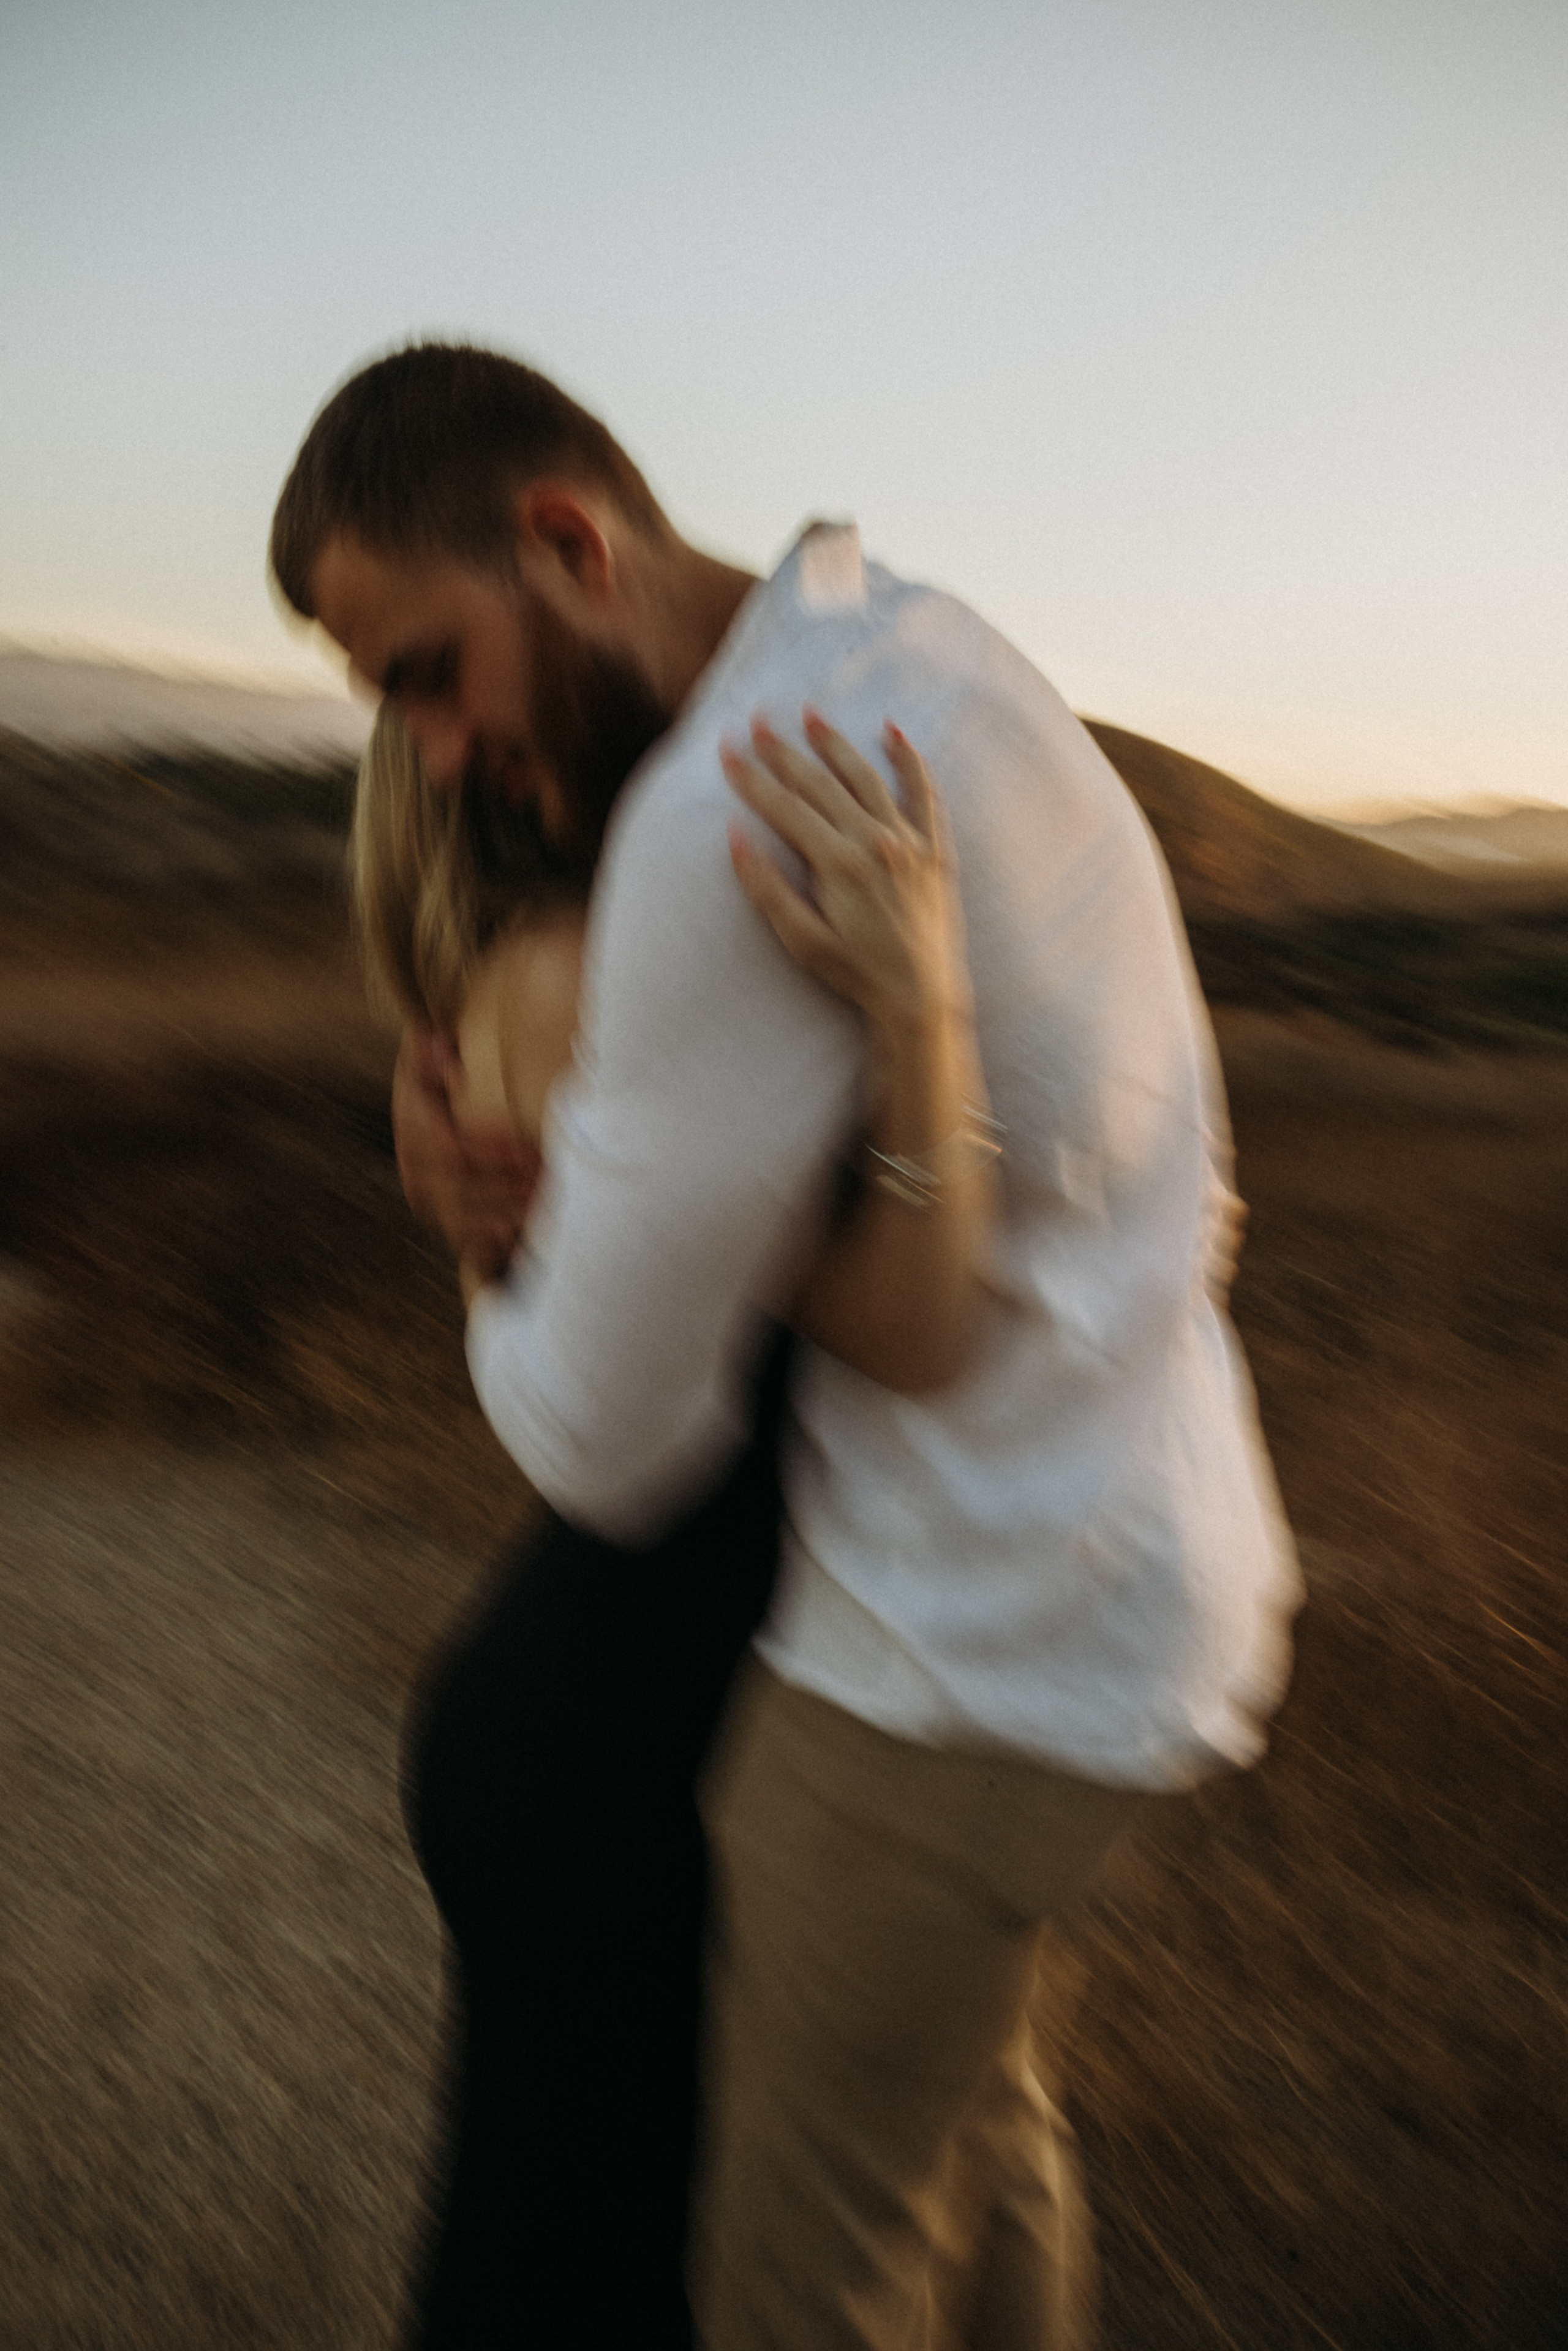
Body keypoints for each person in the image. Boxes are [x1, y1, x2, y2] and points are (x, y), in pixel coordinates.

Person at [271, 342, 1301, 2350]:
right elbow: (1075, 1217)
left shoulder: (737, 812)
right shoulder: (925, 647)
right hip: (1124, 1582)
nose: (430, 747)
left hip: (951, 1649)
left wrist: (491, 1245)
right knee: (982, 2149)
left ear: (567, 537)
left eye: (424, 673)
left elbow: (599, 1444)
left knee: (804, 2280)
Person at [350, 698, 998, 2347]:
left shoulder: (559, 981)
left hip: (602, 1699)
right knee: (587, 2263)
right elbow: (793, 1366)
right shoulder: (581, 973)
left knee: (545, 2235)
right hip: (641, 1731)